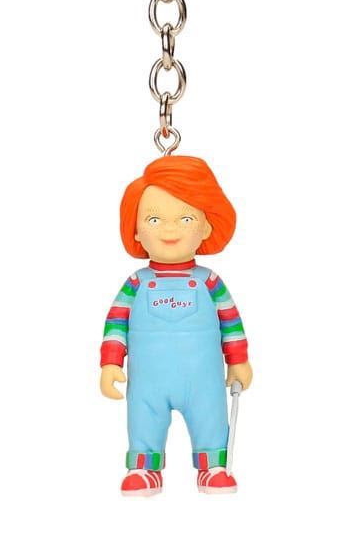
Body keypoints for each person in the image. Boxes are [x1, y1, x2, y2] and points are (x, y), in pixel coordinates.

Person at [99, 155, 253, 496]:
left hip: (204, 379)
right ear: (136, 230)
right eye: (154, 219)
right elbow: (116, 324)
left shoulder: (210, 282)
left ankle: (213, 466)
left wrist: (238, 361)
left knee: (211, 417)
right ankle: (143, 468)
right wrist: (110, 363)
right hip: (148, 381)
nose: (170, 229)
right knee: (143, 419)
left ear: (206, 227)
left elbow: (231, 323)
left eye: (185, 218)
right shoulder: (135, 284)